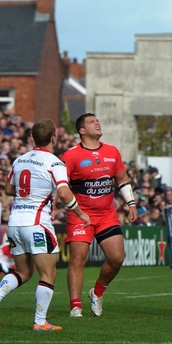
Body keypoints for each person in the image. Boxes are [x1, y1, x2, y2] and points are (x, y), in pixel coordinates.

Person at [0, 119, 91, 331]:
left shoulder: (19, 160)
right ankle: (40, 321)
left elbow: (7, 190)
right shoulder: (55, 162)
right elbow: (63, 192)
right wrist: (80, 213)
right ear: (53, 138)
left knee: (24, 272)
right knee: (48, 273)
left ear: (33, 138)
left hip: (15, 223)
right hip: (37, 223)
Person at [62, 113, 137, 317]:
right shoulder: (71, 155)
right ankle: (75, 306)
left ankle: (96, 293)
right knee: (78, 260)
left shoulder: (112, 151)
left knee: (117, 258)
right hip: (80, 215)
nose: (97, 122)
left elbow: (122, 179)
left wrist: (130, 203)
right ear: (82, 131)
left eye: (97, 120)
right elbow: (61, 186)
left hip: (106, 214)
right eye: (91, 121)